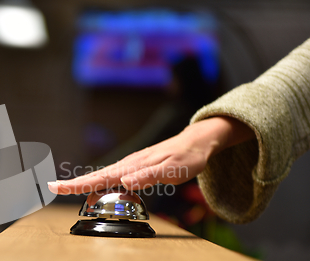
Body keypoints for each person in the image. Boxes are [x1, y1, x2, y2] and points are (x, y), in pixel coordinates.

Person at [48, 38, 310, 224]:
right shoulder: (202, 104)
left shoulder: (175, 112)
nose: (166, 84)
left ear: (181, 79)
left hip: (184, 202)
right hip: (209, 203)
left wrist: (91, 171)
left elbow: (138, 148)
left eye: (170, 77)